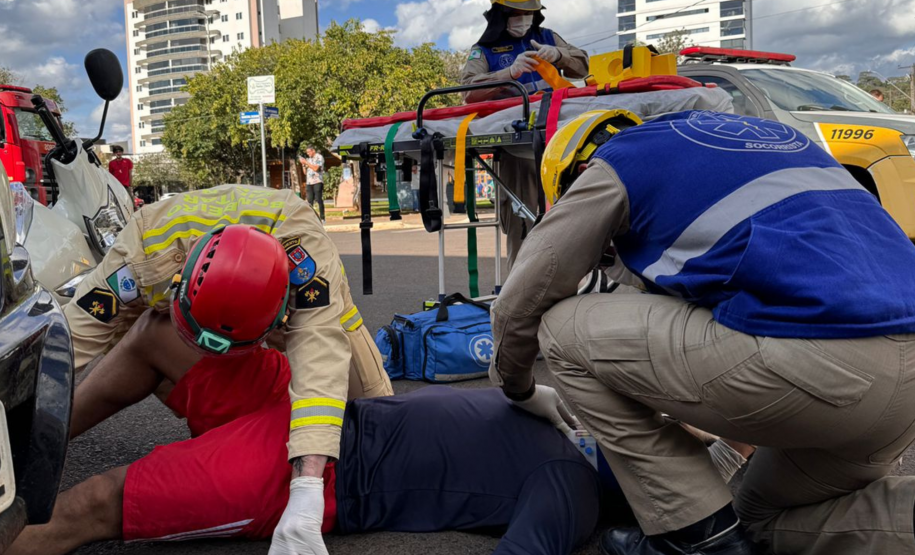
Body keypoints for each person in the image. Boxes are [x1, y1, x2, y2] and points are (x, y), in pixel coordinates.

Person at [490, 109, 915, 555]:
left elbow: (527, 294)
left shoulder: (618, 162)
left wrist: (517, 387)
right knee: (759, 520)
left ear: (578, 172)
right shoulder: (774, 142)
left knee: (561, 329)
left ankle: (696, 537)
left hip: (822, 360)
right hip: (901, 391)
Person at [7, 360, 752, 555]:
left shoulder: (569, 486)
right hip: (319, 405)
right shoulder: (575, 427)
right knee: (162, 336)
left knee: (92, 503)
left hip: (313, 473)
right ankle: (18, 449)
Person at [58, 185, 393, 554]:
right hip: (188, 301)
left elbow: (320, 363)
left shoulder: (303, 251)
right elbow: (67, 342)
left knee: (372, 435)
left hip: (330, 343)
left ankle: (256, 445)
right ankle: (43, 443)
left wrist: (307, 488)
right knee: (148, 333)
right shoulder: (140, 253)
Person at [460, 0, 589, 270]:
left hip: (560, 139)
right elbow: (468, 92)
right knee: (524, 224)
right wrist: (509, 73)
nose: (523, 19)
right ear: (501, 15)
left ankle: (565, 294)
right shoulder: (483, 50)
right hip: (517, 149)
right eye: (517, 14)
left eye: (528, 14)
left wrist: (558, 56)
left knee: (572, 222)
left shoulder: (548, 38)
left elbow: (583, 67)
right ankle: (518, 299)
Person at [301, 146, 327, 223]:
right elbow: (305, 172)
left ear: (313, 151)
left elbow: (316, 168)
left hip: (317, 181)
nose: (308, 154)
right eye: (307, 152)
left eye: (309, 152)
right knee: (309, 201)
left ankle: (322, 217)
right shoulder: (309, 159)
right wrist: (303, 164)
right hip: (309, 182)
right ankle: (311, 219)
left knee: (318, 199)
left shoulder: (319, 157)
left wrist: (307, 163)